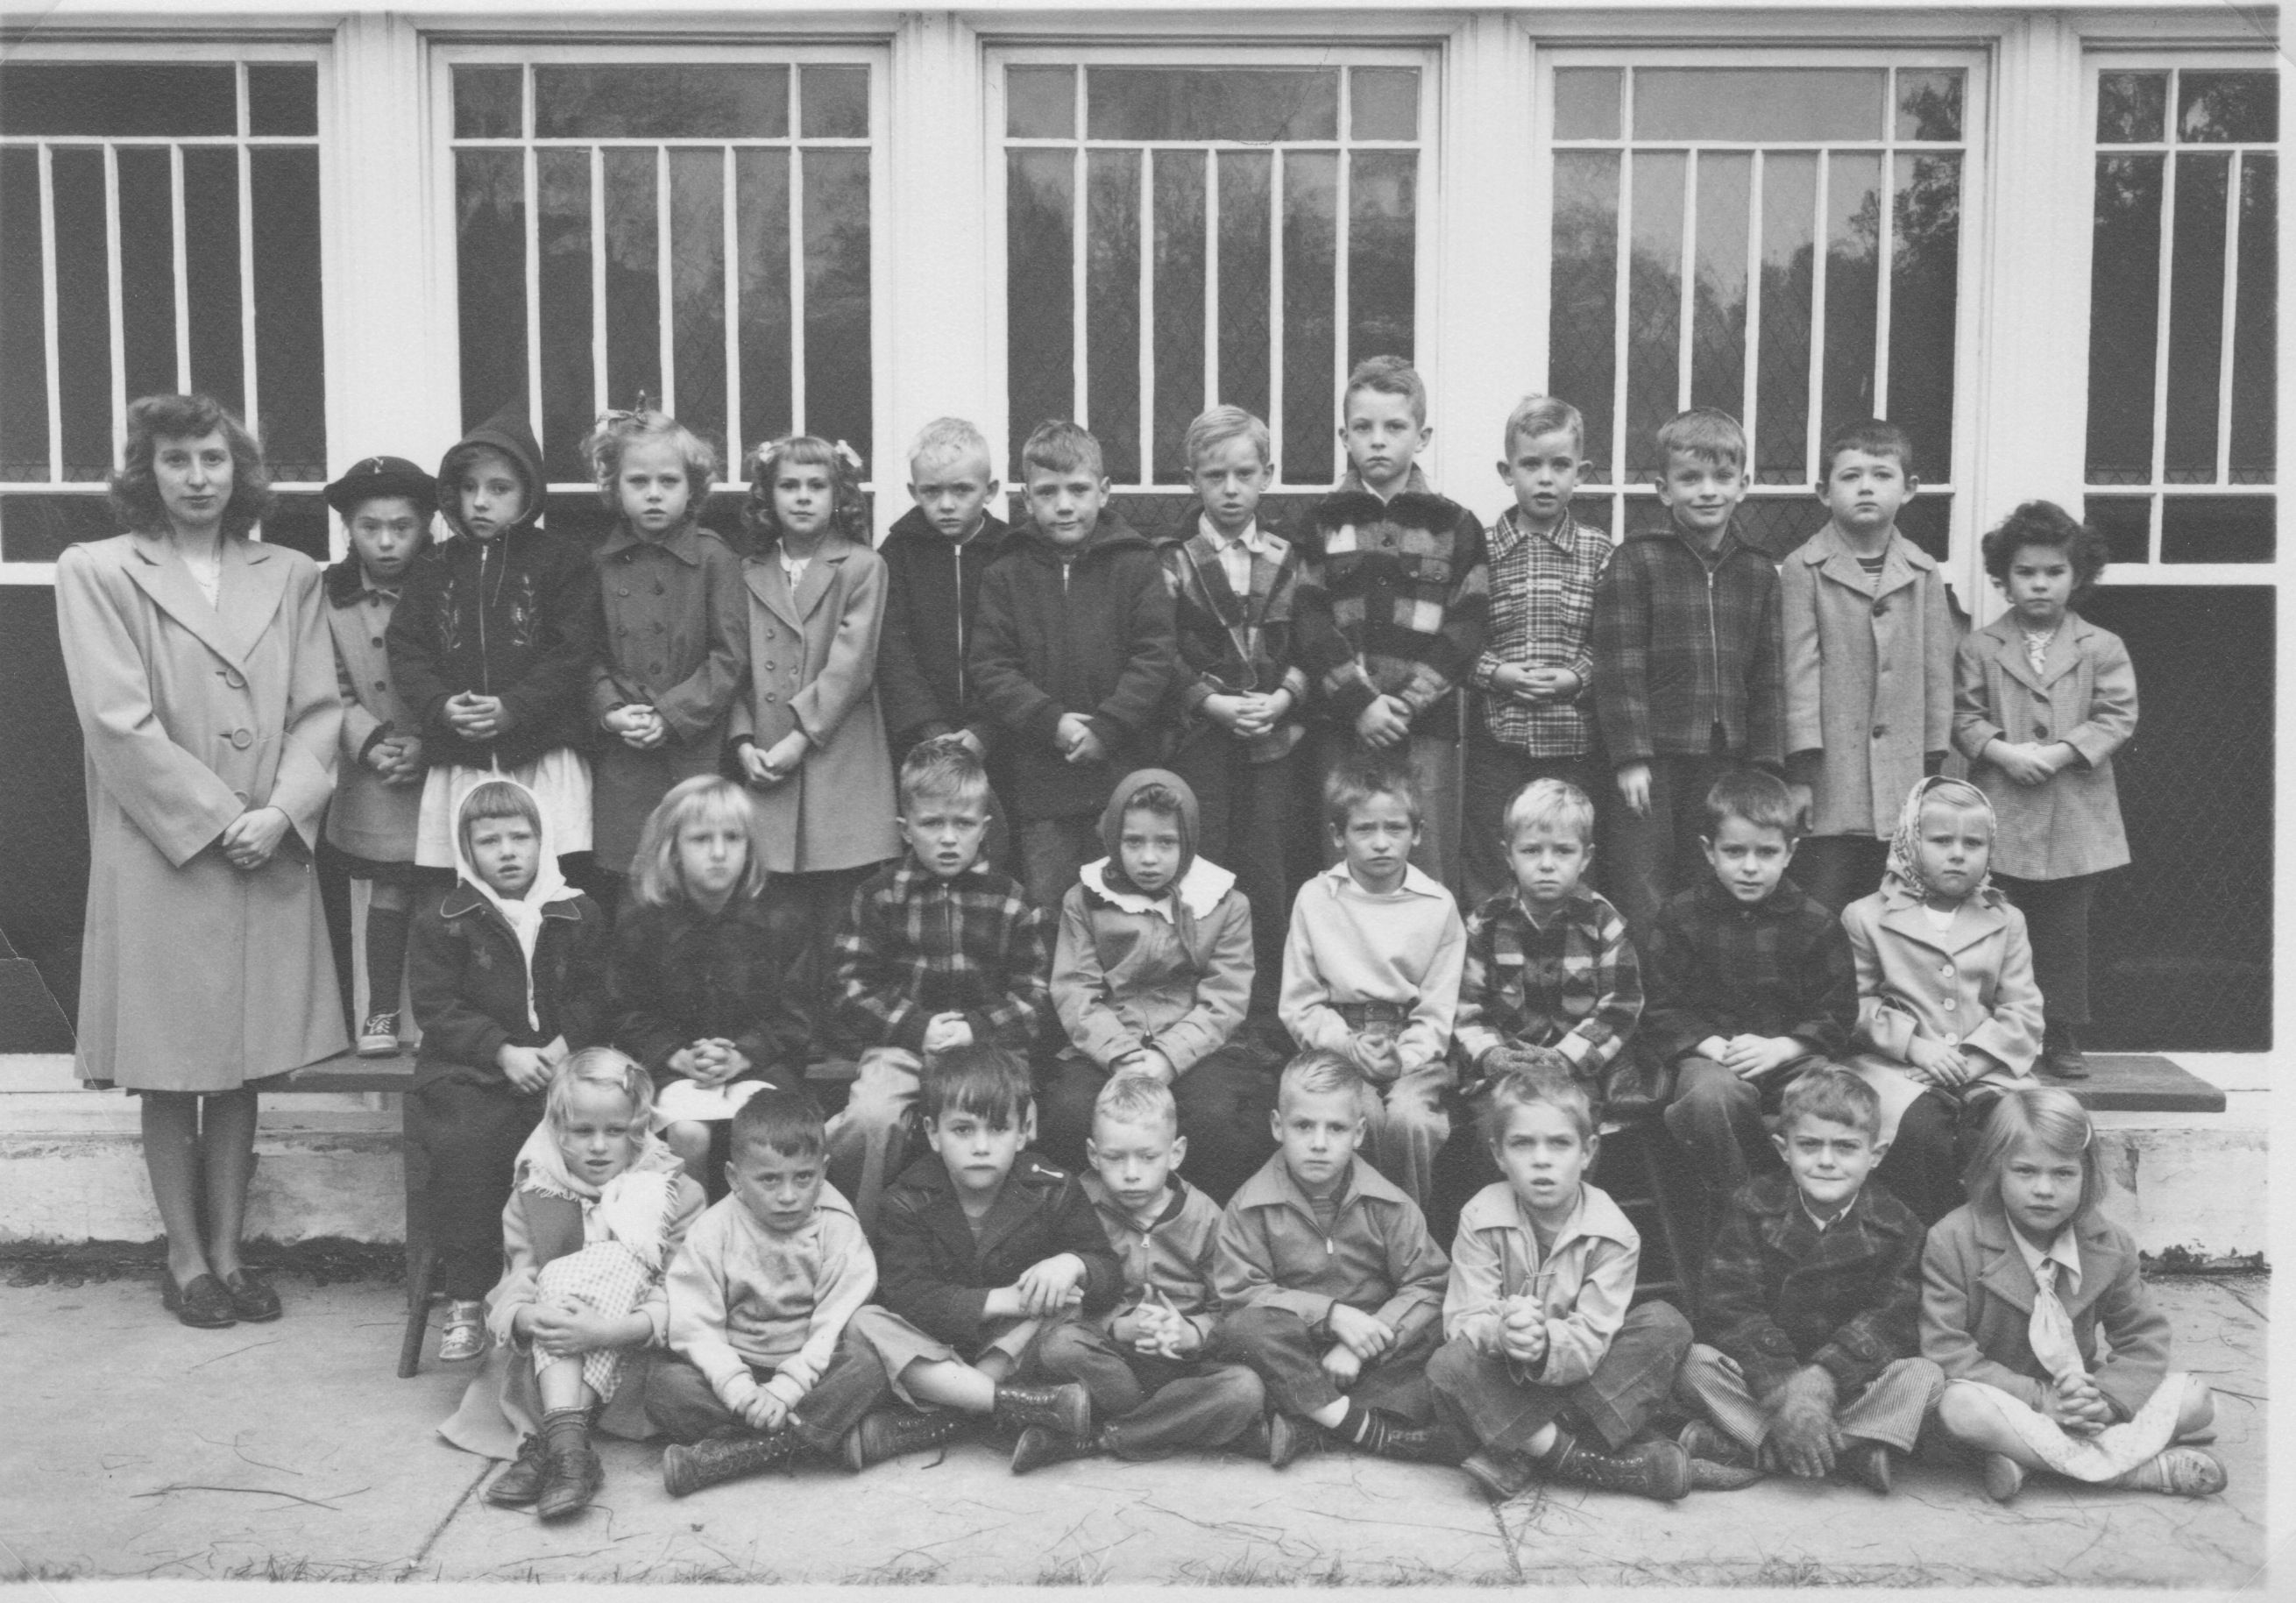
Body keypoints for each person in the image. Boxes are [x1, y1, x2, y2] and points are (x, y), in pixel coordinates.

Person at [56, 393, 348, 1329]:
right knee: (172, 1063)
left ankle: (232, 1249)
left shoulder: (292, 572)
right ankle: (184, 1259)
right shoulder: (96, 569)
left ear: (240, 471)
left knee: (245, 1064)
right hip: (167, 847)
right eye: (176, 460)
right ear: (147, 472)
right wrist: (224, 818)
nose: (197, 477)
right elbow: (115, 721)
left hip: (267, 844)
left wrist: (283, 811)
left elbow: (320, 710)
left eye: (213, 460)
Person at [1924, 1087, 2226, 1501]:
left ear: (2087, 1176)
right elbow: (1946, 1350)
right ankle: (2138, 1472)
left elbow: (2143, 1338)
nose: (2044, 1189)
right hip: (2005, 1401)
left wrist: (2107, 1401)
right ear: (1996, 1170)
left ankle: (2030, 1461)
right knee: (1959, 1407)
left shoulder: (2110, 1243)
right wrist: (2041, 1399)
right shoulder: (1953, 1239)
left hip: (2084, 1404)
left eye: (2063, 1173)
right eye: (2025, 1171)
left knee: (2198, 1400)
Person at [439, 1049, 706, 1521]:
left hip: (633, 1352)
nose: (599, 1147)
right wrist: (526, 1315)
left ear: (640, 1129)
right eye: (582, 1131)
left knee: (611, 1260)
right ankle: (572, 1452)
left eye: (616, 1131)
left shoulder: (672, 1192)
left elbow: (685, 1293)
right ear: (556, 1131)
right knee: (556, 1281)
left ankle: (552, 1442)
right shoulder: (538, 1192)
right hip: (550, 1357)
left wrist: (607, 1332)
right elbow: (514, 1281)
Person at [407, 779, 611, 1364]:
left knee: (591, 1137)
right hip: (473, 1068)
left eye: (520, 836)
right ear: (465, 848)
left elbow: (599, 990)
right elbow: (437, 1006)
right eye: (489, 839)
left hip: (561, 1063)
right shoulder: (446, 917)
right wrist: (501, 1050)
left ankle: (575, 1288)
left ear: (542, 840)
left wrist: (565, 1045)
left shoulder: (576, 910)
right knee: (467, 1145)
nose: (507, 850)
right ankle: (469, 1297)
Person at [1427, 1069, 1693, 1502]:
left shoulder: (1614, 1233)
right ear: (1498, 1154)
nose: (1542, 1159)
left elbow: (1593, 1334)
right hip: (1504, 1378)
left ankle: (1526, 1448)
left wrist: (1545, 1346)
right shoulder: (1480, 1216)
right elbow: (1463, 1320)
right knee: (1449, 1364)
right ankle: (1585, 1460)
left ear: (1587, 1151)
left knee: (1667, 1325)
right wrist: (1500, 1334)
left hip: (1582, 1378)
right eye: (1522, 1144)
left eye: (1560, 1143)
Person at [1673, 1067, 1943, 1495]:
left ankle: (1765, 1449)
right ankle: (1847, 1453)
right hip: (1766, 1380)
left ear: (1876, 1153)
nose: (1826, 1161)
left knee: (1924, 1376)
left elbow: (1895, 1317)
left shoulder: (1898, 1224)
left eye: (1846, 1147)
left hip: (1849, 1385)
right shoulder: (1753, 1207)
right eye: (1810, 1145)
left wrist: (1823, 1380)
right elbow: (1730, 1305)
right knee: (1694, 1361)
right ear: (1784, 1149)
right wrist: (1787, 1389)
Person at [855, 1045, 1123, 1473]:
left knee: (1068, 1301)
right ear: (932, 1132)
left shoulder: (1052, 1189)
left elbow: (1109, 1273)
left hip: (1013, 1350)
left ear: (1022, 1132)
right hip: (936, 1351)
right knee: (865, 1321)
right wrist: (1000, 1300)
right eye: (962, 1130)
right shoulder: (906, 1199)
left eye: (998, 1129)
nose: (981, 1147)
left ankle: (950, 1416)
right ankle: (1012, 1405)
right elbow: (907, 1296)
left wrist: (1074, 1263)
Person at [828, 741, 1056, 1230]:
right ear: (906, 831)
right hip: (903, 1051)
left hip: (990, 1051)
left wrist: (976, 1029)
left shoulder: (1013, 902)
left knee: (1009, 1123)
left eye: (963, 824)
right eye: (933, 824)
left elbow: (1035, 999)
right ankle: (856, 1240)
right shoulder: (878, 896)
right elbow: (849, 990)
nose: (948, 838)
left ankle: (1001, 1247)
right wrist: (917, 1028)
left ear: (985, 829)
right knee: (871, 1119)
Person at [1291, 355, 1491, 890]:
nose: (1378, 440)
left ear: (1421, 436)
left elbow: (1468, 626)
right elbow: (1309, 621)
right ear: (1344, 435)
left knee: (1426, 870)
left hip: (1423, 732)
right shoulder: (1320, 524)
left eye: (1394, 427)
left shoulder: (1456, 526)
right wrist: (1360, 703)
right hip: (1341, 727)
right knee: (1341, 870)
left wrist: (1406, 702)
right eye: (1364, 427)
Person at [1953, 502, 2137, 1082]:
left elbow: (2117, 716)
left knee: (2064, 930)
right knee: (1997, 924)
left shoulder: (2101, 646)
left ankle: (2061, 1031)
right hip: (2003, 809)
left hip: (2074, 814)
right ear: (2003, 580)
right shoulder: (1981, 648)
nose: (2039, 583)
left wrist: (2060, 752)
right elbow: (1963, 716)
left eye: (2054, 572)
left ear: (2077, 577)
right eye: (2026, 572)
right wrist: (2004, 751)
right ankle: (2000, 1030)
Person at [733, 434, 902, 1053]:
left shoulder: (862, 566)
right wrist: (744, 740)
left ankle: (842, 1033)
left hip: (835, 757)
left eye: (816, 486)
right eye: (789, 486)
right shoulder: (746, 571)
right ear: (768, 496)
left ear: (839, 495)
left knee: (840, 913)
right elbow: (734, 666)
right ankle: (785, 1036)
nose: (802, 498)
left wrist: (800, 739)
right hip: (765, 763)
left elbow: (851, 664)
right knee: (776, 917)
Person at [1007, 1074, 1268, 1472]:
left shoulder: (1206, 1218)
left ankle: (1098, 1438)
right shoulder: (1076, 1203)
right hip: (1110, 1363)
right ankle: (1178, 1423)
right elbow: (1061, 1300)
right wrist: (1115, 1326)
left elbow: (1230, 1308)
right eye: (1115, 1157)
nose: (1131, 1173)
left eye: (1148, 1157)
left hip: (1183, 1365)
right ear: (1093, 1154)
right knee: (1059, 1345)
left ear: (1176, 1152)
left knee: (1245, 1388)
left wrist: (1191, 1332)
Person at [646, 1086, 900, 1493]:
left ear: (824, 1169)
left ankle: (740, 1453)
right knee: (665, 1388)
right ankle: (813, 1438)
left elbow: (833, 1324)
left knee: (868, 1367)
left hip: (811, 1372)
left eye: (804, 1177)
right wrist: (739, 1389)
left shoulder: (836, 1226)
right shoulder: (714, 1228)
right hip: (737, 1368)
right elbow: (695, 1322)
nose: (788, 1196)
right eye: (768, 1179)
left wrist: (788, 1388)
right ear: (734, 1177)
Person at [1591, 407, 1784, 937]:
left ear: (1743, 485)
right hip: (1653, 759)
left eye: (1723, 478)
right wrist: (1631, 757)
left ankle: (1700, 999)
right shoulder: (1638, 560)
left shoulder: (1757, 570)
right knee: (1644, 881)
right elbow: (1618, 665)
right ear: (1662, 488)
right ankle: (1644, 1002)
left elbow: (1769, 676)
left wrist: (1766, 767)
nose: (1707, 491)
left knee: (1711, 878)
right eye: (1690, 478)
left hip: (1727, 755)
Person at [969, 420, 1178, 911]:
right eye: (1048, 492)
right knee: (1052, 904)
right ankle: (1054, 991)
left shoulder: (1136, 565)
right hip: (1043, 780)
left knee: (1125, 906)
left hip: (1122, 775)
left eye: (1079, 489)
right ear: (1026, 498)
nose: (1064, 505)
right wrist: (1052, 723)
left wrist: (1107, 728)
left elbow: (1154, 656)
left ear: (1104, 492)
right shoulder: (1007, 572)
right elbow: (992, 665)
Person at [387, 401, 600, 880]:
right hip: (461, 755)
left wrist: (516, 706)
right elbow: (406, 649)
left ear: (528, 494)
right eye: (469, 488)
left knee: (554, 879)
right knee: (466, 884)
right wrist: (441, 706)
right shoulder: (433, 567)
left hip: (542, 750)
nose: (480, 501)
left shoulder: (561, 561)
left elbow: (573, 650)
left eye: (498, 488)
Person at [1040, 769, 1277, 1201]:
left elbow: (1225, 998)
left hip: (1196, 1045)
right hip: (1108, 1044)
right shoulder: (1086, 899)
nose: (1150, 858)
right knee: (1069, 1112)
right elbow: (1075, 990)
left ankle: (1199, 1224)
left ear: (1187, 842)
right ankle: (1091, 1224)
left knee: (1216, 1116)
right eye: (1134, 842)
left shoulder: (1226, 903)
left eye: (1166, 843)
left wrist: (1169, 1058)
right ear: (1114, 839)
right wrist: (1121, 1056)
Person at [1209, 1050, 1452, 1465]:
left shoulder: (1390, 1205)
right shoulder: (1250, 1207)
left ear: (1359, 1133)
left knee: (1441, 1331)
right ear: (1277, 1127)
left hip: (1368, 1351)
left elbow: (1429, 1282)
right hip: (1294, 1348)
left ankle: (1309, 1423)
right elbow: (1241, 1292)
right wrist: (1331, 1314)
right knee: (1242, 1330)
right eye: (1304, 1125)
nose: (1319, 1143)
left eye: (1336, 1128)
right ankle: (1363, 1428)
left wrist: (1361, 1345)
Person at [1639, 771, 1857, 1230]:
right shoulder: (1681, 916)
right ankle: (1745, 1214)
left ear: (1791, 853)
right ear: (1708, 851)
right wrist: (1708, 1044)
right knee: (1711, 1098)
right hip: (1713, 1057)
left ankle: (1822, 1215)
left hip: (1790, 1055)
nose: (1750, 867)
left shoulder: (1816, 923)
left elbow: (1836, 1012)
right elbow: (1660, 1006)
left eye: (1767, 853)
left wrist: (1785, 1047)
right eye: (1734, 852)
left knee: (1836, 1097)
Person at [1838, 777, 2043, 1225]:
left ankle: (1993, 1244)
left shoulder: (2006, 920)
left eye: (1974, 842)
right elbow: (1854, 1005)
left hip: (1983, 1068)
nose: (1958, 853)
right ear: (1911, 842)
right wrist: (1916, 1046)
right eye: (1941, 840)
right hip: (1897, 1069)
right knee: (1923, 1130)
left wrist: (1970, 1060)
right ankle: (1925, 1246)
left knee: (2018, 1129)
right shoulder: (1867, 916)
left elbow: (2022, 1010)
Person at [1160, 404, 1308, 1007]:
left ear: (1267, 474)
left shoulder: (1289, 558)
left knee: (1268, 872)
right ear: (1191, 477)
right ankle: (1201, 1002)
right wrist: (1212, 702)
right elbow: (1159, 654)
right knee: (1204, 866)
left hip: (1273, 742)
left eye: (1244, 473)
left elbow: (1314, 645)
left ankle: (1268, 1009)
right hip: (1200, 742)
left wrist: (1283, 697)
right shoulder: (1171, 560)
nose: (1230, 488)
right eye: (1214, 475)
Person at [1781, 421, 1957, 914]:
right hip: (1831, 777)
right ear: (1822, 491)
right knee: (1824, 902)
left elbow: (1937, 672)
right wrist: (1801, 775)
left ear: (1910, 489)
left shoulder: (1922, 571)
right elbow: (1797, 674)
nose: (1865, 487)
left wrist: (1931, 765)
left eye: (1882, 475)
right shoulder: (1804, 568)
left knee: (1898, 908)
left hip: (1904, 777)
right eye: (1850, 476)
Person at [1278, 755, 1467, 1209]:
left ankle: (1409, 1238)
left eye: (1395, 828)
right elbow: (1300, 1003)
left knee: (1409, 1121)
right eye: (1364, 829)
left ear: (1417, 833)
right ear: (1338, 837)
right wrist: (1346, 1045)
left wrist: (1404, 1057)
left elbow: (1438, 1009)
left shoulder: (1437, 906)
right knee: (1357, 1114)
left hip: (1415, 1050)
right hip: (1335, 1044)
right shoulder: (1316, 898)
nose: (1381, 843)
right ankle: (1356, 1240)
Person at [607, 777, 807, 1184]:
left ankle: (757, 1232)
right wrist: (677, 1056)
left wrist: (743, 1055)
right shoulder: (644, 924)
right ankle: (691, 1234)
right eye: (701, 839)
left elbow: (798, 1014)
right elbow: (624, 1011)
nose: (719, 853)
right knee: (688, 1134)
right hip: (674, 1069)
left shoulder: (780, 919)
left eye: (733, 838)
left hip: (760, 1066)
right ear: (673, 850)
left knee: (764, 1133)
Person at [582, 409, 746, 892]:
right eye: (638, 481)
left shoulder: (714, 557)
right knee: (629, 879)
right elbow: (584, 655)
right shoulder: (599, 563)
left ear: (692, 488)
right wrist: (611, 711)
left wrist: (671, 714)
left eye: (668, 481)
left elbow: (730, 656)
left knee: (693, 872)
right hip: (624, 753)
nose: (654, 493)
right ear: (614, 488)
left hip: (691, 749)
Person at [1462, 397, 1611, 911]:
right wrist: (1496, 673)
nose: (1545, 478)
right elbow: (1457, 638)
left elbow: (1610, 643)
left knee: (1569, 861)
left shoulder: (1599, 552)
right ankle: (1489, 970)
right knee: (1492, 860)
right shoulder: (1476, 549)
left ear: (1581, 472)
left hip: (1574, 744)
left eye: (1560, 465)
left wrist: (1576, 678)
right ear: (1508, 471)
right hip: (1497, 745)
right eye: (1531, 464)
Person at [317, 454, 437, 1054]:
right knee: (388, 891)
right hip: (375, 772)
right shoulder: (329, 597)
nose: (386, 541)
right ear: (348, 529)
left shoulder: (448, 586)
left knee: (446, 894)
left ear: (428, 525)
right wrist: (369, 742)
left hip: (441, 763)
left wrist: (431, 741)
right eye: (370, 527)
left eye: (402, 526)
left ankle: (446, 1018)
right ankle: (382, 1012)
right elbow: (323, 685)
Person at [1452, 777, 1644, 1113]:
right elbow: (1466, 1007)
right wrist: (1492, 1056)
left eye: (1563, 851)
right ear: (1508, 855)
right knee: (1495, 1121)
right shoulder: (1483, 925)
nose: (1546, 864)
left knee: (1572, 1118)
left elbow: (1621, 1005)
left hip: (1578, 1069)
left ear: (1586, 857)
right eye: (1530, 850)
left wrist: (1565, 1058)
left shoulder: (1603, 923)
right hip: (1504, 1071)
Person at [875, 417, 1017, 869]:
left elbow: (1024, 647)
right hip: (921, 740)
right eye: (932, 492)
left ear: (990, 490)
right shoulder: (897, 553)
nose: (947, 504)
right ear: (914, 492)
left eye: (962, 490)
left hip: (1000, 736)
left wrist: (985, 730)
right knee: (925, 848)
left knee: (997, 852)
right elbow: (891, 649)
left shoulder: (1013, 552)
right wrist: (931, 732)